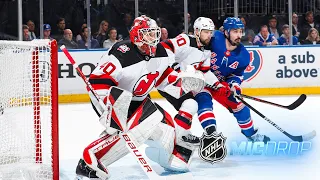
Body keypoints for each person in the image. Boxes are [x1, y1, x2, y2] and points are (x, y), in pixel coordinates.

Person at [75, 15, 201, 179]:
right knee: (146, 120)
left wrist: (182, 83)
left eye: (154, 33)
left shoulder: (161, 52)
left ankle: (168, 157)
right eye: (148, 34)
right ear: (137, 35)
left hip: (139, 102)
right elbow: (98, 82)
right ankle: (90, 160)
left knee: (168, 133)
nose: (153, 38)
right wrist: (109, 107)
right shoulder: (122, 53)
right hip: (114, 100)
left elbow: (163, 78)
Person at [193, 17, 270, 143]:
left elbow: (236, 75)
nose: (239, 35)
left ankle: (251, 134)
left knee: (240, 106)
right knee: (204, 101)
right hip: (202, 79)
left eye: (240, 31)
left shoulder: (244, 55)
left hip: (220, 85)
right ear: (226, 32)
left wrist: (234, 86)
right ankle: (211, 135)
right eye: (235, 31)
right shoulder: (214, 38)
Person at [157, 17, 231, 143]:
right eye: (206, 32)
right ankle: (178, 138)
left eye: (210, 32)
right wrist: (174, 68)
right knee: (190, 105)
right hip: (167, 81)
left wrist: (218, 85)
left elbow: (205, 71)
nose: (209, 35)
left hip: (181, 84)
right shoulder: (185, 40)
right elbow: (163, 47)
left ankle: (181, 135)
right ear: (197, 31)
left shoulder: (207, 49)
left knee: (191, 105)